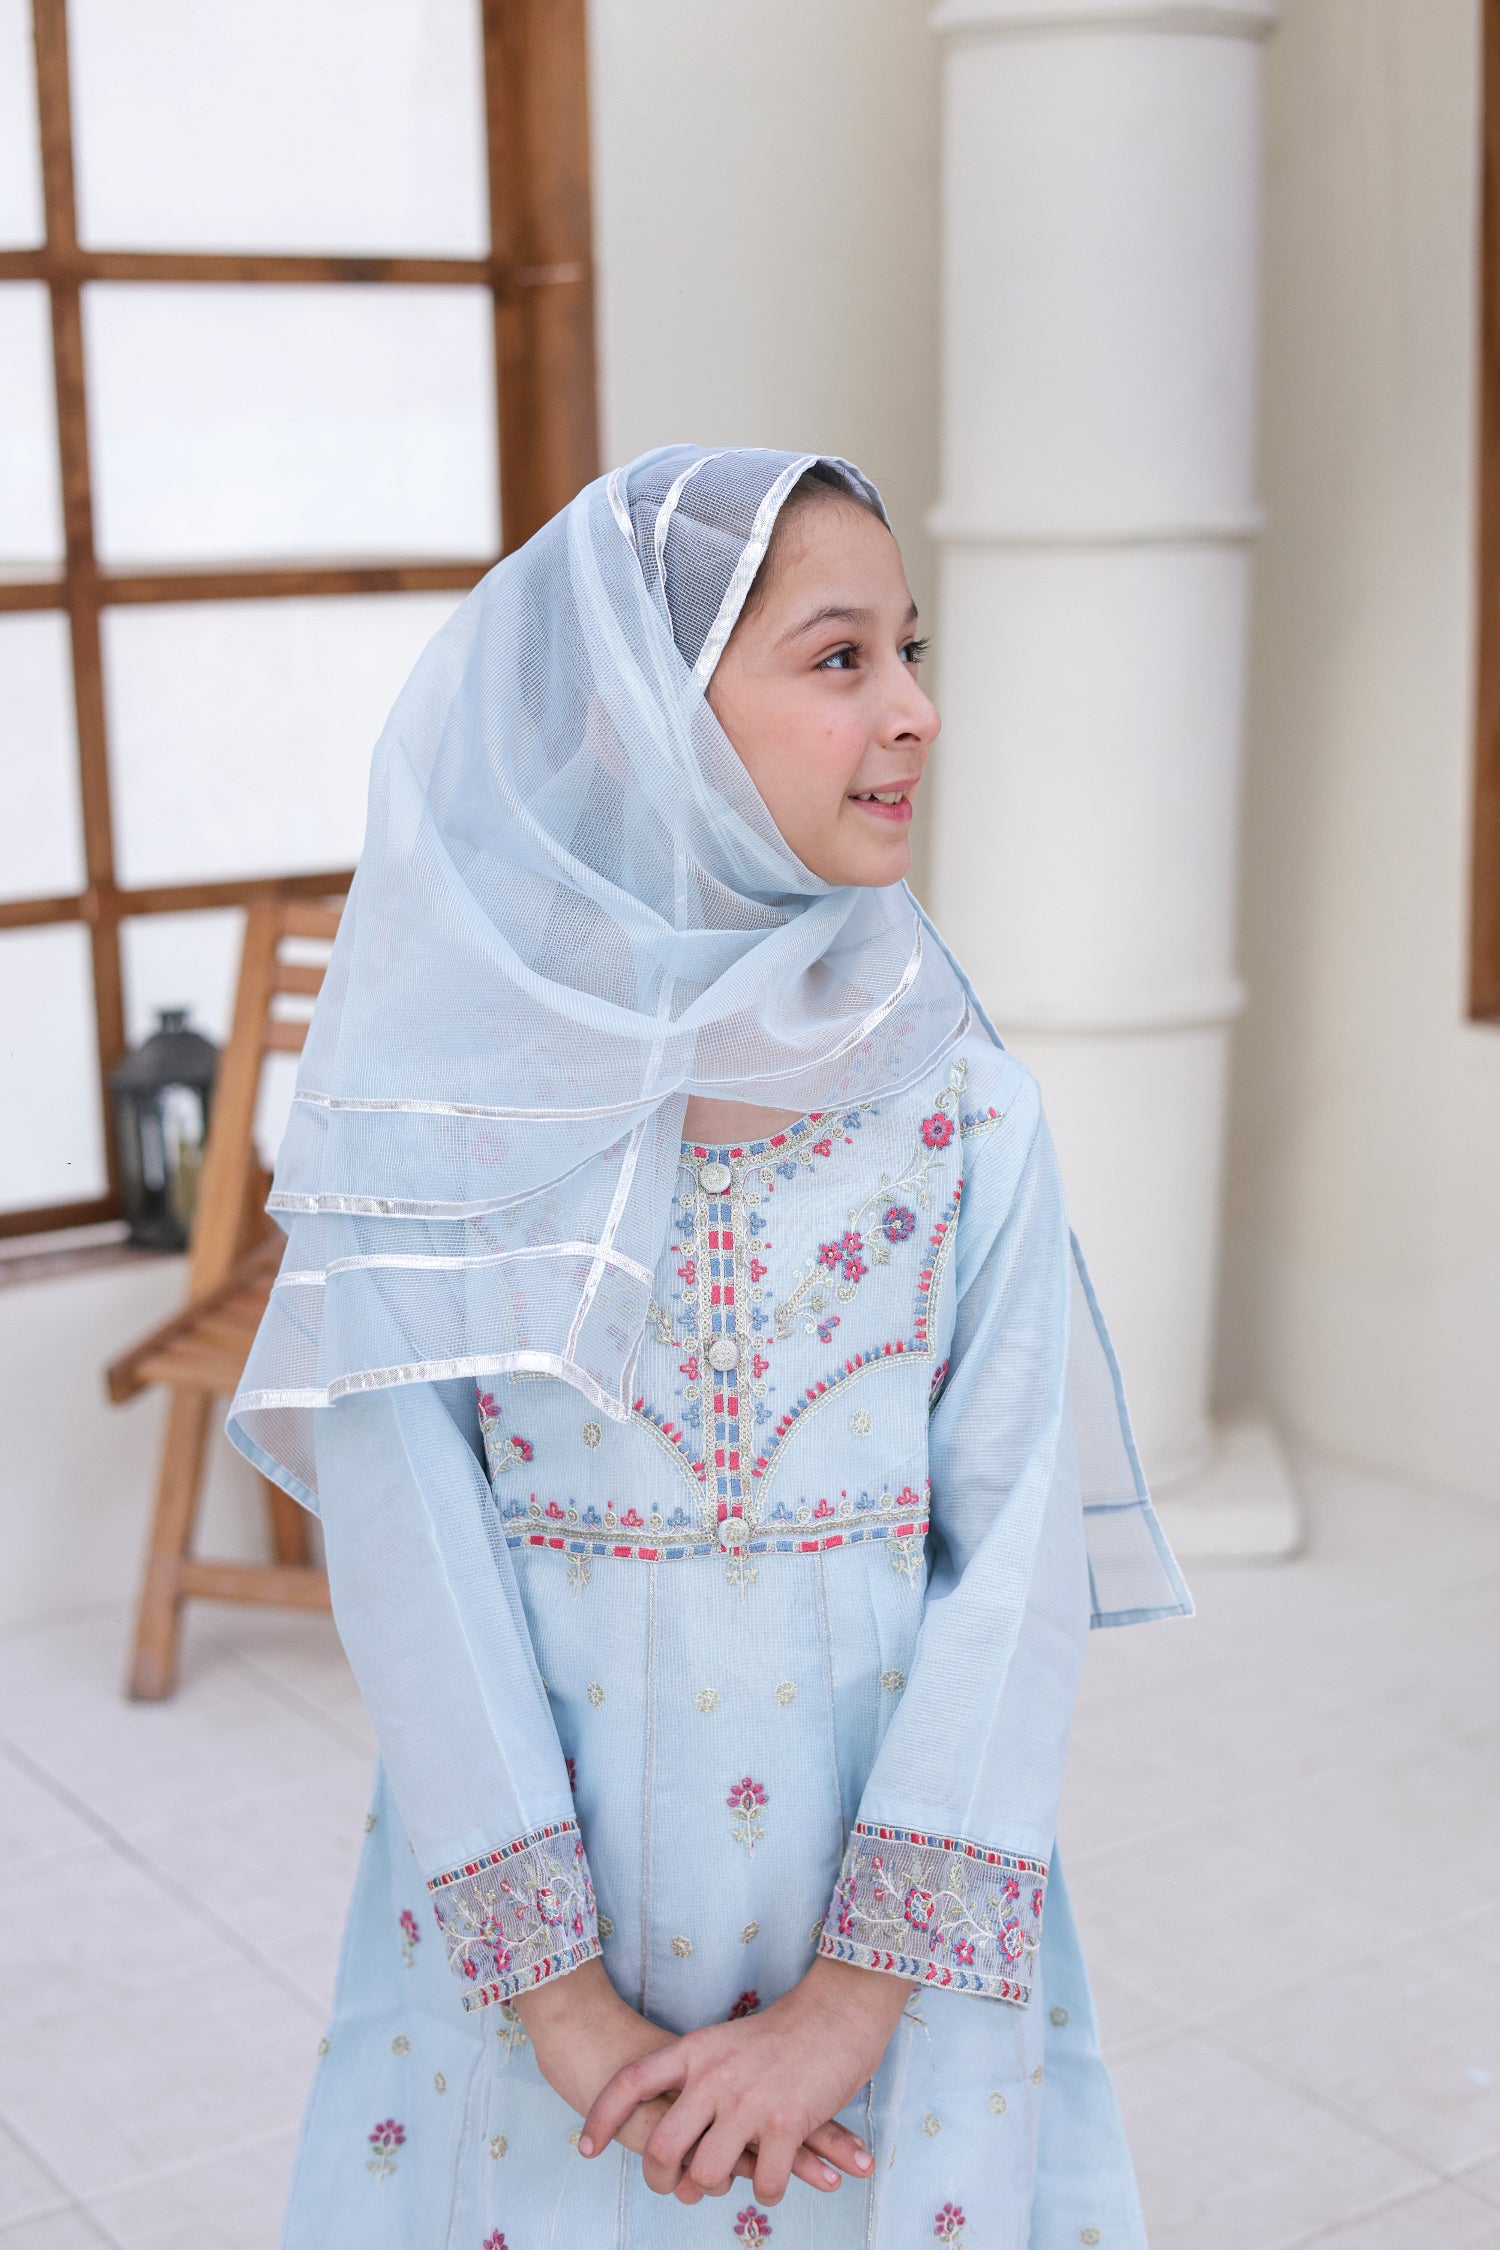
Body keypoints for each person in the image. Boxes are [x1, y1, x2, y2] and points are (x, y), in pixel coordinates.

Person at [229, 445, 1191, 2249]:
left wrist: (845, 2010)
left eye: (914, 652)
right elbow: (407, 1547)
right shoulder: (438, 1120)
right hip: (537, 1955)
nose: (913, 713)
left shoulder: (965, 1111)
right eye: (841, 660)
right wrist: (573, 2019)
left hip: (890, 1946)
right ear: (635, 720)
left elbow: (1016, 1568)